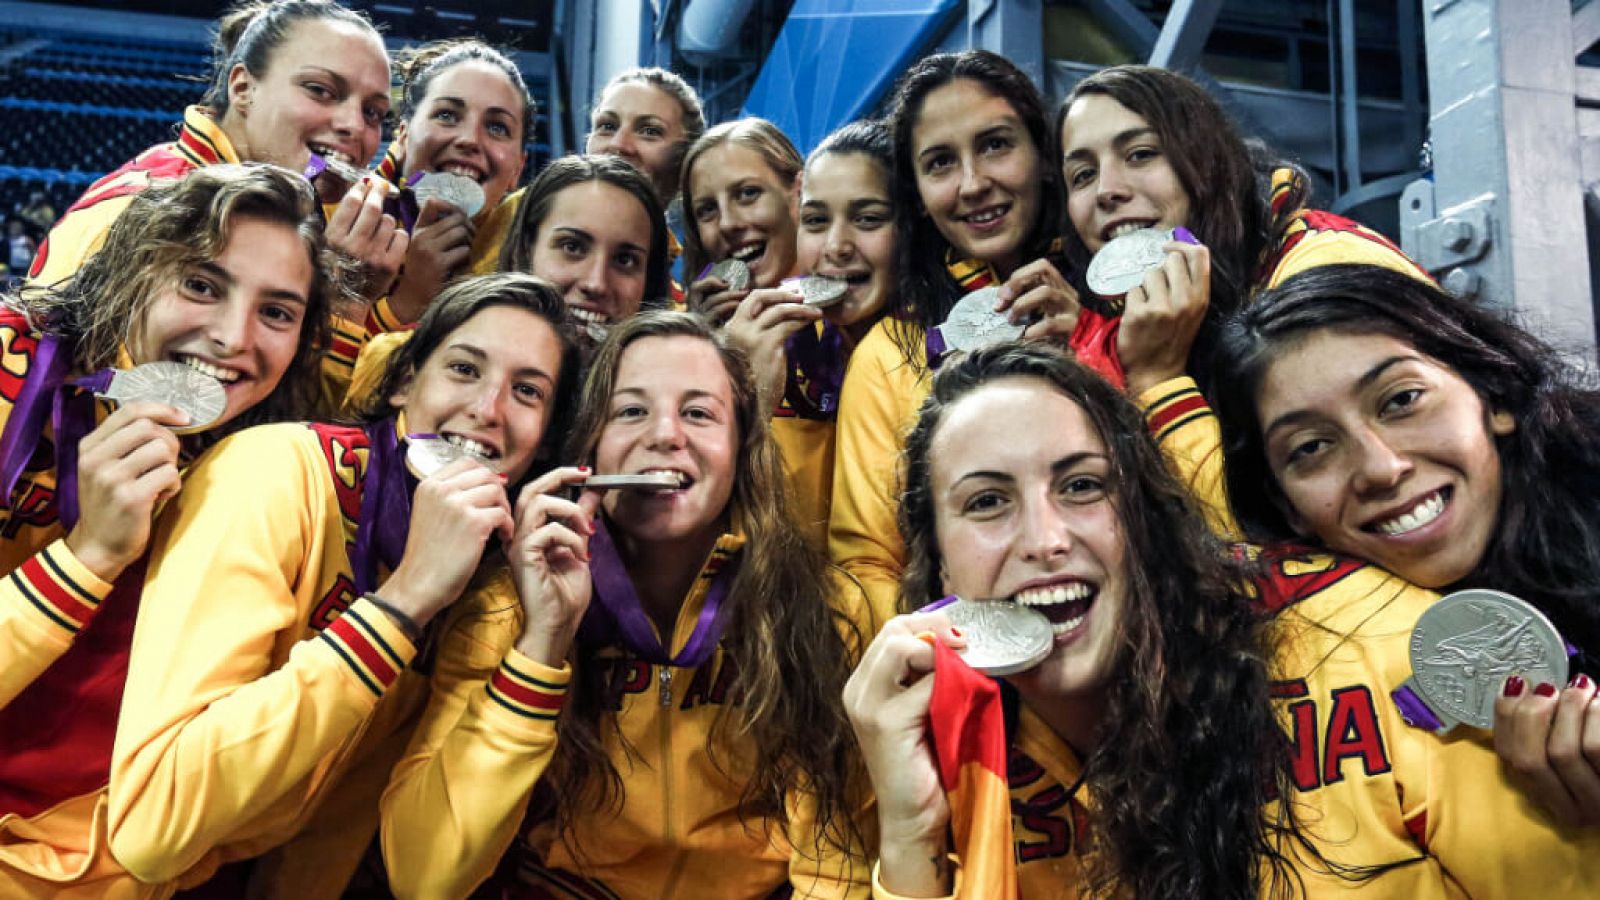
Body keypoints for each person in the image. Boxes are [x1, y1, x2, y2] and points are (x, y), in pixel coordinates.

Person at [849, 341, 1600, 898]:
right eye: (986, 502)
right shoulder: (925, 731)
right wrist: (911, 838)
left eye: (1081, 486)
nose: (1045, 540)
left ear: (1146, 519)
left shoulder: (1371, 646)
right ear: (939, 565)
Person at [102, 273, 582, 896]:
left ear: (544, 441)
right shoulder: (275, 472)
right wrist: (403, 603)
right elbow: (150, 829)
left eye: (526, 391)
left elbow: (426, 877)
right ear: (407, 380)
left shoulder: (488, 585)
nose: (488, 409)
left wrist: (543, 644)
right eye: (464, 369)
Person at [381, 311, 871, 898]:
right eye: (631, 411)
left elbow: (834, 872)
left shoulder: (817, 609)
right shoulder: (503, 611)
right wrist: (543, 643)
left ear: (742, 449)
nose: (666, 435)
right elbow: (423, 877)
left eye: (698, 413)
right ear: (588, 448)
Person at [0, 164, 336, 897]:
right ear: (133, 269)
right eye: (202, 286)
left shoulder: (268, 462)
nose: (230, 338)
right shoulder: (9, 372)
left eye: (277, 312)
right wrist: (85, 561)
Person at [1210, 263, 1600, 828]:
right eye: (1312, 446)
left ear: (1494, 396)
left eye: (1401, 401)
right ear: (1287, 507)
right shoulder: (1304, 651)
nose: (1381, 468)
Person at [1056, 65, 1433, 530]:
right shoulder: (1149, 319)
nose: (1106, 191)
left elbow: (1259, 541)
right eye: (1082, 175)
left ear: (1208, 161)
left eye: (1141, 154)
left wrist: (1158, 379)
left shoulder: (1322, 265)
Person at [829, 50, 1116, 629]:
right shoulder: (890, 353)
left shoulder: (1126, 307)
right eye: (939, 163)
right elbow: (865, 565)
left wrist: (1091, 347)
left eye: (995, 145)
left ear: (1043, 156)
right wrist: (961, 666)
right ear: (915, 193)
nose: (972, 184)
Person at [28, 0, 405, 398]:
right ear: (243, 89)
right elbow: (188, 425)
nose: (353, 126)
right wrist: (345, 303)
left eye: (374, 113)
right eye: (321, 91)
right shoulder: (153, 209)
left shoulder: (282, 205)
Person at [342, 155, 671, 413]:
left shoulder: (667, 413)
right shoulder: (404, 360)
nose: (596, 283)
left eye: (626, 261)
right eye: (572, 247)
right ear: (527, 247)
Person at [366, 39, 535, 332]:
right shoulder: (337, 221)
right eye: (446, 115)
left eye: (497, 127)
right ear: (403, 136)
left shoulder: (535, 261)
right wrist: (409, 299)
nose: (469, 139)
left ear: (516, 170)